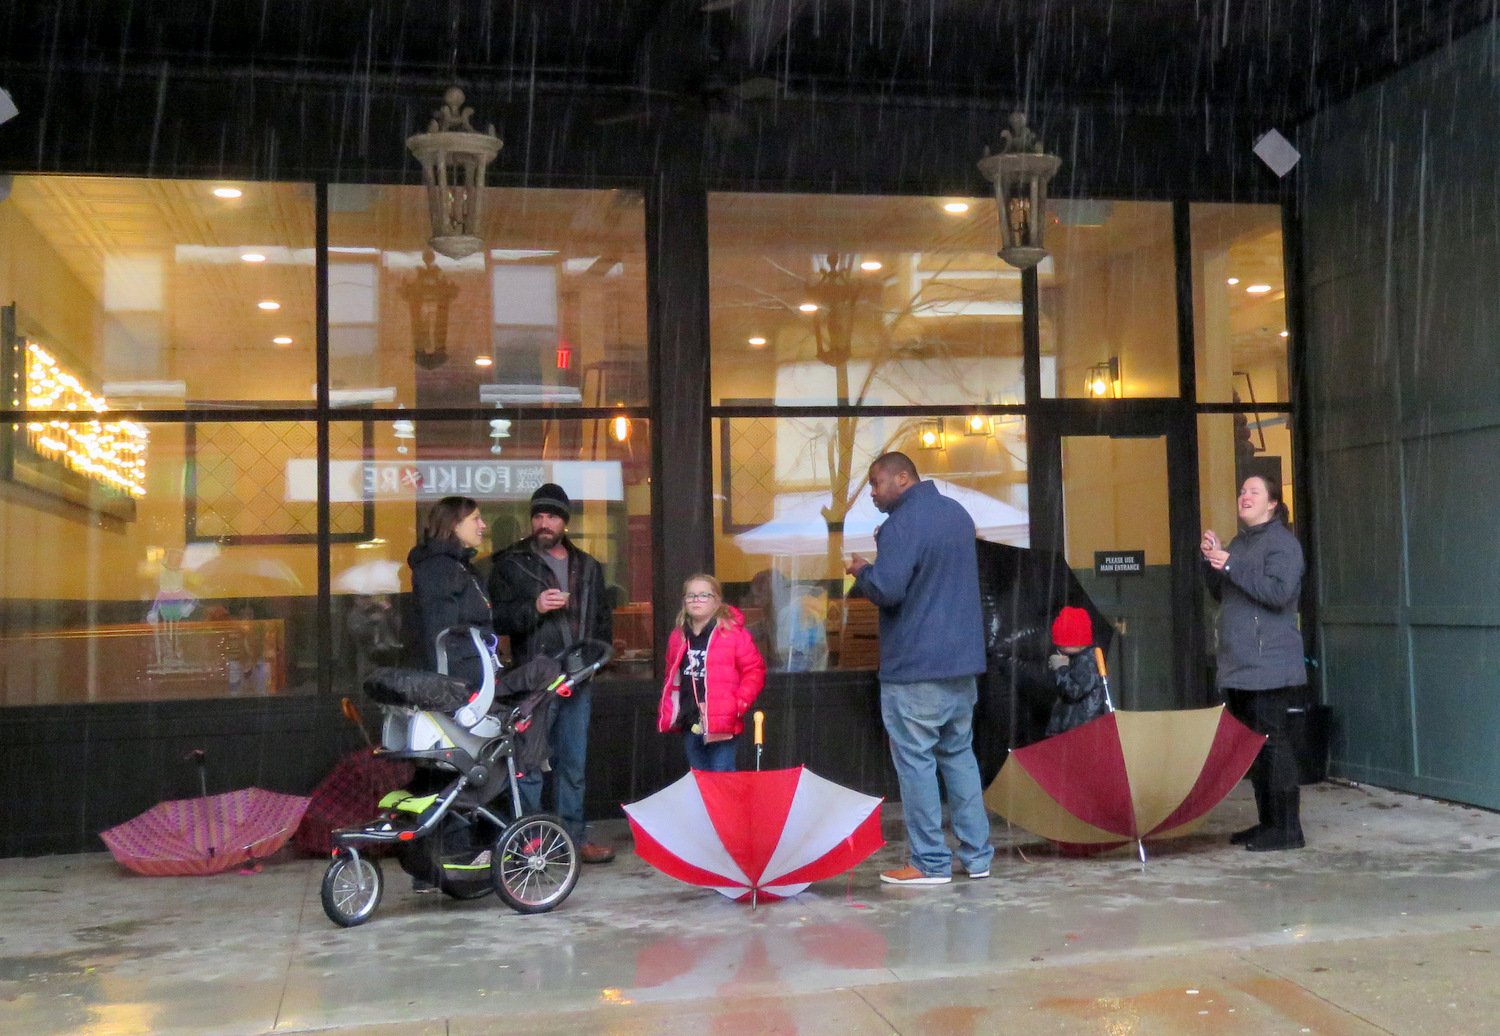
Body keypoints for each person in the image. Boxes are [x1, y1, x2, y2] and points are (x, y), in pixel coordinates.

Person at [845, 452, 993, 885]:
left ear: (903, 478)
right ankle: (978, 857)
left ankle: (929, 862)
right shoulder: (957, 514)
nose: (872, 493)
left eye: (876, 483)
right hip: (961, 664)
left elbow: (888, 590)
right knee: (959, 758)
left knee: (916, 765)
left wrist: (863, 571)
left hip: (915, 667)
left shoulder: (901, 524)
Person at [489, 483, 616, 864]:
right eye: (538, 516)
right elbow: (495, 619)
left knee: (572, 764)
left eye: (552, 516)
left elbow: (602, 620)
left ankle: (573, 839)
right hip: (535, 680)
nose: (544, 523)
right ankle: (531, 843)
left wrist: (595, 661)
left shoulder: (588, 565)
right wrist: (535, 607)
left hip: (579, 678)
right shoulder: (510, 562)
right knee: (529, 764)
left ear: (565, 521)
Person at [1202, 474, 1308, 852]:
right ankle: (1269, 824)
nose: (1244, 496)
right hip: (1240, 664)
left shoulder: (1283, 544)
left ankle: (1288, 830)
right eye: (1242, 490)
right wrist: (1213, 561)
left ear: (1272, 503)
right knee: (1254, 748)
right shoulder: (1240, 543)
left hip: (1269, 665)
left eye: (1254, 491)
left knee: (1272, 744)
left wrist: (1231, 565)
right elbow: (1224, 594)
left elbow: (1278, 593)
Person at [657, 574, 767, 772]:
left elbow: (754, 671)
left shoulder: (733, 634)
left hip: (723, 720)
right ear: (684, 601)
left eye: (703, 595)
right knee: (699, 777)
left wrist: (738, 704)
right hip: (690, 719)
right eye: (691, 595)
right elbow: (671, 676)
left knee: (722, 777)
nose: (696, 600)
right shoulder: (678, 636)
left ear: (717, 601)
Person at [407, 496, 491, 690]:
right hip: (458, 683)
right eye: (475, 519)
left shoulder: (461, 566)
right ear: (454, 525)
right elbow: (440, 636)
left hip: (472, 675)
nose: (483, 525)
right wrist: (451, 688)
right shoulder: (439, 569)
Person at [1045, 606, 1109, 737]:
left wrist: (1061, 668)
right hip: (1073, 727)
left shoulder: (1088, 662)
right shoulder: (1078, 658)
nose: (1059, 648)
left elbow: (1073, 691)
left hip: (1082, 730)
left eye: (1062, 645)